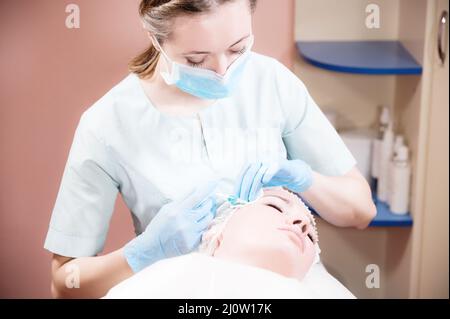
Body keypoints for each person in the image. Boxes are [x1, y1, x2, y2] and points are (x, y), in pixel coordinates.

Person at [45, 0, 376, 298]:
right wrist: (144, 252)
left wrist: (304, 179)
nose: (222, 72)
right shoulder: (106, 125)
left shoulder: (272, 83)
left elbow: (361, 211)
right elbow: (65, 284)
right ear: (154, 37)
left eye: (237, 49)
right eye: (196, 59)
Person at [104, 187, 355, 299]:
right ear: (216, 233)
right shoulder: (166, 279)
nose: (302, 222)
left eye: (311, 236)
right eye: (275, 206)